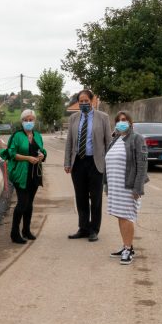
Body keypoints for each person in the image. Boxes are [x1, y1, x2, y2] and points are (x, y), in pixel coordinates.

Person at [64, 89, 111, 242]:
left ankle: (94, 230)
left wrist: (108, 164)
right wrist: (67, 162)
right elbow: (69, 142)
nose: (84, 104)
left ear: (92, 101)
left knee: (96, 198)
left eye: (86, 101)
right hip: (78, 162)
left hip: (95, 162)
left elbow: (108, 142)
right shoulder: (73, 118)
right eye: (81, 101)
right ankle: (83, 228)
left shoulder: (103, 118)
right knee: (80, 197)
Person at [105, 111, 148, 265]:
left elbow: (142, 165)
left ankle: (128, 250)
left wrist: (138, 188)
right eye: (118, 120)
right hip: (115, 186)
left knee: (127, 217)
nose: (121, 122)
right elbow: (108, 163)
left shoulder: (137, 139)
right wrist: (107, 186)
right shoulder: (115, 140)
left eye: (124, 120)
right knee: (120, 215)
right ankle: (125, 246)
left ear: (130, 122)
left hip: (128, 187)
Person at [0, 109, 46, 244]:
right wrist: (27, 158)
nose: (28, 122)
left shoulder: (37, 135)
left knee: (30, 204)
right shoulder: (17, 136)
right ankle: (15, 233)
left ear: (34, 121)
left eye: (31, 120)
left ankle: (26, 230)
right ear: (22, 121)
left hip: (34, 174)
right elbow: (12, 153)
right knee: (22, 203)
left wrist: (42, 155)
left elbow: (42, 150)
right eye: (26, 120)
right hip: (21, 174)